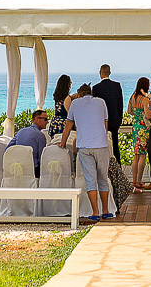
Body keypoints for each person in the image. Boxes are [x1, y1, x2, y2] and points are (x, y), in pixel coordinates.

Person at [60, 83, 114, 223]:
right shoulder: (101, 102)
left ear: (79, 94)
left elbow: (68, 126)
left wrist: (62, 143)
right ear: (90, 92)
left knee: (91, 180)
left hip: (84, 146)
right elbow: (105, 125)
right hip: (101, 145)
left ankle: (95, 212)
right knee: (102, 178)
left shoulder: (75, 104)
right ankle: (106, 211)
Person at [91, 64, 125, 164]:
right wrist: (119, 119)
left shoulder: (96, 88)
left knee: (102, 145)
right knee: (115, 145)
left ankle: (103, 165)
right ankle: (118, 166)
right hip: (115, 120)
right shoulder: (117, 86)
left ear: (100, 73)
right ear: (109, 73)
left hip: (101, 122)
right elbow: (120, 104)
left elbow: (95, 108)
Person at [128, 77, 151, 190]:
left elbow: (129, 111)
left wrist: (137, 116)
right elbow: (148, 115)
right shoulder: (144, 99)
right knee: (143, 155)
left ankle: (134, 181)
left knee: (136, 155)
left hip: (135, 127)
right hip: (143, 129)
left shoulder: (132, 97)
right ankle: (139, 181)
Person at [7, 109, 49, 176]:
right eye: (45, 119)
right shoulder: (40, 136)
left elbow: (8, 149)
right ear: (37, 119)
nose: (47, 122)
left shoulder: (21, 131)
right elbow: (41, 158)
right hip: (33, 171)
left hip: (17, 168)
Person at [47, 75, 73, 140]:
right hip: (62, 124)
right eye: (70, 82)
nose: (71, 84)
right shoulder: (67, 98)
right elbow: (70, 113)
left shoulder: (57, 96)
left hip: (55, 122)